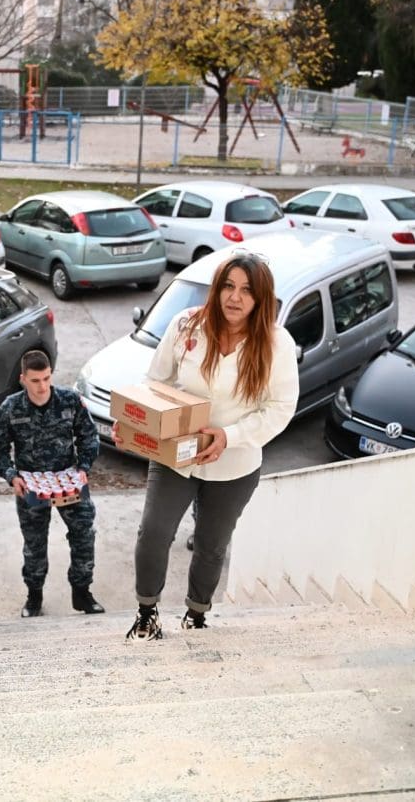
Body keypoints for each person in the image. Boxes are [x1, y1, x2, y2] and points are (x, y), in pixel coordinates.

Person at [127, 252, 299, 640]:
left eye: (246, 291)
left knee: (211, 545)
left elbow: (280, 408)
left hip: (234, 466)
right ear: (216, 288)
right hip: (176, 456)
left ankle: (196, 615)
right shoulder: (186, 325)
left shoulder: (277, 344)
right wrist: (148, 422)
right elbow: (155, 382)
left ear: (261, 298)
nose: (235, 297)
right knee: (153, 532)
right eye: (228, 286)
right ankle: (147, 613)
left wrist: (228, 436)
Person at [0, 350, 105, 618]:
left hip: (68, 480)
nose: (42, 386)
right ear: (23, 379)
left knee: (84, 535)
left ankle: (82, 592)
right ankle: (34, 596)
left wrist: (84, 468)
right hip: (31, 485)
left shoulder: (69, 400)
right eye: (35, 380)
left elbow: (89, 436)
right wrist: (12, 476)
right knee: (34, 544)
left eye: (46, 378)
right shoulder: (11, 407)